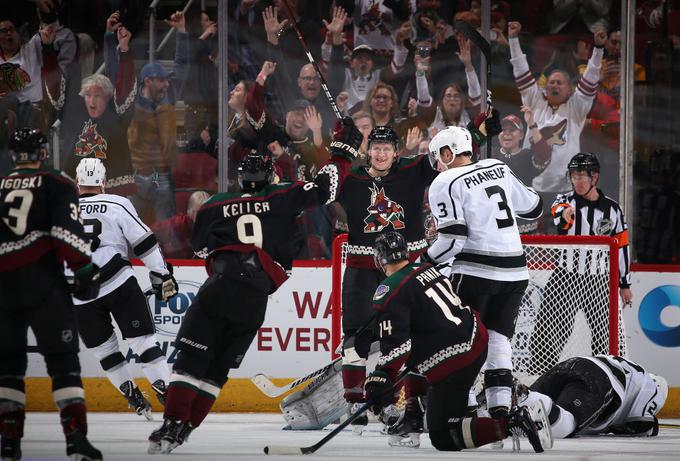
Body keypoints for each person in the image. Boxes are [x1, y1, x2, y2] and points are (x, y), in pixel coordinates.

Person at [146, 118, 361, 454]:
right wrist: (343, 151)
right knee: (217, 371)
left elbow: (202, 249)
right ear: (269, 177)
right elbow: (324, 188)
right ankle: (187, 427)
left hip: (219, 289)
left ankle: (173, 423)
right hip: (254, 302)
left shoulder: (215, 205)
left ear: (241, 179)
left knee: (190, 360)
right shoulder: (282, 195)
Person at [364, 232, 551, 452]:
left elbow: (398, 348)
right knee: (449, 408)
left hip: (454, 359)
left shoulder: (388, 290)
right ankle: (469, 415)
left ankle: (512, 423)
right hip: (475, 338)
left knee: (443, 436)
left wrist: (382, 377)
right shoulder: (425, 269)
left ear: (379, 259)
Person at [425, 126, 543, 418]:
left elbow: (453, 239)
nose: (438, 164)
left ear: (448, 152)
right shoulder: (497, 167)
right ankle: (500, 409)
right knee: (499, 338)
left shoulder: (445, 180)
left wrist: (422, 260)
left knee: (463, 339)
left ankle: (462, 407)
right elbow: (534, 208)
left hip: (476, 272)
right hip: (516, 272)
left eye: (439, 156)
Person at [0, 128, 102, 461]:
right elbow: (64, 233)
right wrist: (85, 269)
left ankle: (9, 442)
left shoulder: (0, 185)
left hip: (3, 284)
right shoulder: (55, 182)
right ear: (43, 152)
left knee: (8, 366)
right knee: (63, 362)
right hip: (41, 280)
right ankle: (75, 440)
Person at [337, 124, 439, 434]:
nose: (381, 153)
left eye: (387, 148)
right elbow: (322, 184)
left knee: (404, 340)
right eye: (376, 147)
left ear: (396, 152)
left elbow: (448, 156)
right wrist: (340, 149)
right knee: (355, 341)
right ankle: (355, 404)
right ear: (368, 151)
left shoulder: (413, 169)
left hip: (406, 273)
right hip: (362, 270)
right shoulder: (350, 178)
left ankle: (394, 404)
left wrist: (477, 130)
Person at [70, 157, 178, 420]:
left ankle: (132, 395)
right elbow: (144, 242)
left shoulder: (62, 209)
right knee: (143, 340)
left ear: (77, 183)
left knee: (105, 350)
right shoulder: (117, 203)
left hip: (80, 293)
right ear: (104, 183)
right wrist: (161, 274)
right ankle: (166, 393)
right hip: (118, 280)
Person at [529, 153, 632, 374]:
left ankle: (608, 378)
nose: (576, 181)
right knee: (548, 329)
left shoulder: (612, 210)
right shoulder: (564, 200)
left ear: (594, 177)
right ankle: (540, 379)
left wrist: (625, 284)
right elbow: (558, 213)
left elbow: (622, 247)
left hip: (599, 279)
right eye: (573, 176)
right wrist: (565, 214)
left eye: (581, 176)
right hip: (566, 276)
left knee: (607, 334)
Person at [507, 21, 606, 197]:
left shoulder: (576, 107)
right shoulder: (535, 102)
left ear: (570, 89)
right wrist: (513, 39)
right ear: (545, 87)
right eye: (551, 82)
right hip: (531, 187)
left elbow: (590, 79)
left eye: (559, 83)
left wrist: (598, 50)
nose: (554, 85)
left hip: (566, 189)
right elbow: (521, 71)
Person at [518, 355, 667, 438]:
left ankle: (518, 393)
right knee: (564, 426)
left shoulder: (634, 373)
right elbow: (640, 424)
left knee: (520, 411)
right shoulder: (654, 386)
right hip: (598, 378)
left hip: (573, 364)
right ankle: (523, 395)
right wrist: (653, 427)